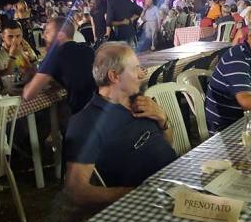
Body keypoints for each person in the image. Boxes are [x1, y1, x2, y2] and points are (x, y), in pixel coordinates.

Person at [63, 42, 175, 207]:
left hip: (176, 180)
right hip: (150, 203)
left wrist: (162, 119)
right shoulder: (87, 122)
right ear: (114, 76)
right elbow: (75, 191)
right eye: (135, 68)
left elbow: (168, 144)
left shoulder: (140, 102)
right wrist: (136, 194)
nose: (142, 74)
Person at [24, 16, 97, 114]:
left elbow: (28, 94)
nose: (43, 35)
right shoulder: (88, 49)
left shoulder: (54, 55)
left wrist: (28, 82)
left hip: (83, 114)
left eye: (48, 32)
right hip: (104, 107)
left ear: (61, 35)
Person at [0, 20, 38, 86]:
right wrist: (12, 56)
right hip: (6, 93)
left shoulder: (25, 49)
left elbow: (35, 72)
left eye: (18, 36)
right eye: (10, 36)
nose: (15, 40)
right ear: (2, 37)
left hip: (26, 86)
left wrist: (28, 54)